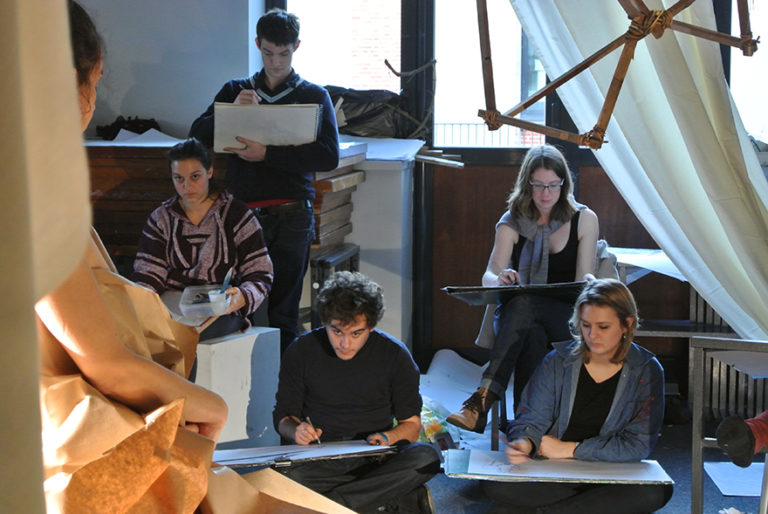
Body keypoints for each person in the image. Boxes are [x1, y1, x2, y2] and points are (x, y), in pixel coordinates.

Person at [189, 8, 340, 353]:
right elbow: (196, 137)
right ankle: (243, 380)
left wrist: (268, 154)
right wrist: (230, 111)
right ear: (258, 44)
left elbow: (328, 155)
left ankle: (284, 384)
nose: (275, 62)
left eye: (283, 54)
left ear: (296, 47)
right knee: (238, 305)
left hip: (292, 214)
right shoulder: (236, 89)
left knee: (284, 310)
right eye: (269, 53)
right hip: (242, 214)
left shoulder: (314, 96)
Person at [482, 278, 672, 513]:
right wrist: (524, 442)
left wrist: (570, 449)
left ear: (627, 324)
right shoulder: (556, 361)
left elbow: (638, 444)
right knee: (494, 485)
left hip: (612, 473)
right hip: (555, 472)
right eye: (586, 325)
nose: (592, 335)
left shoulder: (647, 369)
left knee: (655, 491)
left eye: (603, 327)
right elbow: (531, 419)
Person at [448, 143, 600, 433]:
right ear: (526, 184)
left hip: (565, 317)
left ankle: (483, 400)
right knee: (531, 329)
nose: (546, 194)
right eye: (538, 185)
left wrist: (592, 281)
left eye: (553, 185)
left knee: (525, 304)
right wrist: (500, 279)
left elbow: (583, 281)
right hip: (517, 320)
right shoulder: (511, 221)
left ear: (564, 184)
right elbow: (489, 275)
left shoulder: (584, 219)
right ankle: (527, 428)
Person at [272, 271, 440, 513]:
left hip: (376, 457)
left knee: (426, 457)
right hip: (319, 457)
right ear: (325, 322)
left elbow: (411, 426)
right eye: (336, 331)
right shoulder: (301, 351)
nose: (345, 344)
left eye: (356, 333)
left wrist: (387, 438)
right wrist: (297, 431)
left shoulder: (395, 355)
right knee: (274, 480)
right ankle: (385, 501)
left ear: (370, 327)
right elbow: (283, 418)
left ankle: (328, 507)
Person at [131, 137, 273, 340]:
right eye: (178, 178)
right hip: (173, 305)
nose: (187, 186)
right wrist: (141, 302)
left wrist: (242, 296)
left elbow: (260, 271)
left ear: (210, 172)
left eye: (195, 177)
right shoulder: (161, 218)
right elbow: (149, 272)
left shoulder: (236, 214)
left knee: (190, 338)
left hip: (220, 308)